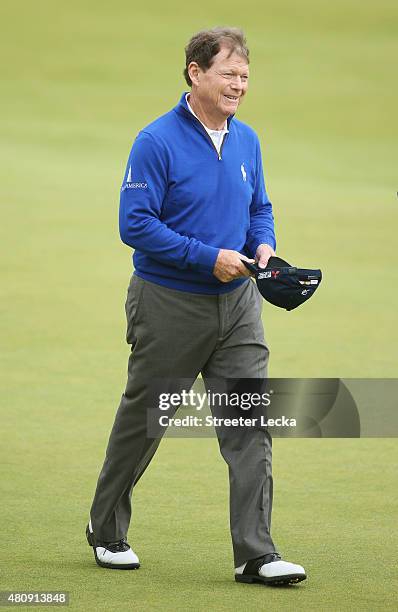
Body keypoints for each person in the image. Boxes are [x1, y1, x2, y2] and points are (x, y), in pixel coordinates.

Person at [86, 26, 306, 586]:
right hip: (168, 304)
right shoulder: (156, 141)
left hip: (238, 307)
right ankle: (106, 530)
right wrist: (207, 257)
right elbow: (133, 225)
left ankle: (256, 554)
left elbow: (260, 205)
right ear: (196, 73)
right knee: (146, 420)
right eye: (229, 74)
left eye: (245, 77)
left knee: (250, 424)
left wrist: (263, 244)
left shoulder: (247, 139)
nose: (239, 85)